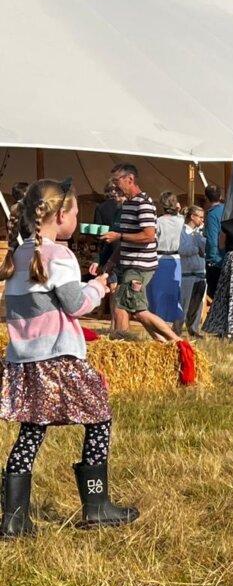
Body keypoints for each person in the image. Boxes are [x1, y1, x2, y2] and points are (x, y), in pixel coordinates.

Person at [0, 179, 138, 536]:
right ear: (61, 215)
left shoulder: (18, 255)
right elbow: (76, 305)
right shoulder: (60, 256)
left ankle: (14, 519)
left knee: (32, 429)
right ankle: (97, 506)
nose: (78, 216)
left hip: (26, 360)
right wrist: (98, 287)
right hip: (60, 358)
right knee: (99, 417)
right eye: (76, 211)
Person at [100, 164, 179, 343]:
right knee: (138, 311)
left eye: (116, 181)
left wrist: (118, 235)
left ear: (130, 179)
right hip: (129, 265)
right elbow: (127, 240)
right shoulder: (128, 204)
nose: (114, 186)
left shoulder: (143, 204)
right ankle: (169, 343)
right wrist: (113, 260)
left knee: (122, 305)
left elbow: (148, 236)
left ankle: (122, 344)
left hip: (139, 266)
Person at [147, 191, 184, 328]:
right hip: (177, 259)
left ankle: (159, 326)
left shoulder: (158, 222)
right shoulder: (182, 222)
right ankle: (177, 327)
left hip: (159, 259)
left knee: (158, 295)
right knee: (176, 294)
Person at [177, 204, 207, 338]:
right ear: (192, 217)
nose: (201, 220)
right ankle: (177, 328)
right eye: (199, 217)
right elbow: (181, 249)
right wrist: (196, 249)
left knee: (197, 302)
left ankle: (194, 329)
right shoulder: (182, 232)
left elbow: (206, 248)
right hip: (187, 271)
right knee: (184, 303)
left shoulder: (200, 233)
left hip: (200, 270)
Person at [203, 184, 225, 300]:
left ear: (206, 198)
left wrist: (211, 260)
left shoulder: (212, 214)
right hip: (227, 258)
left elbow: (212, 240)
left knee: (214, 297)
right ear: (220, 196)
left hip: (216, 261)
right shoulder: (226, 210)